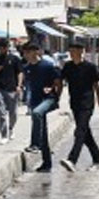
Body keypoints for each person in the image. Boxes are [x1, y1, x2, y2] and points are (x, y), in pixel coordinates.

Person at [59, 38, 99, 172]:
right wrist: (55, 94)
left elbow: (96, 85)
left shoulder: (90, 67)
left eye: (74, 51)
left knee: (79, 132)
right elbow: (60, 81)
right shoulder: (68, 66)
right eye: (70, 51)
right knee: (85, 132)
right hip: (74, 103)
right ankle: (98, 159)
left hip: (87, 103)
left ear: (81, 52)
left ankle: (72, 160)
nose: (72, 53)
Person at [23, 42, 62, 172]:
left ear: (35, 52)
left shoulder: (47, 66)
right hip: (36, 101)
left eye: (28, 52)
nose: (26, 55)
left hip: (49, 99)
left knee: (37, 113)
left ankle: (35, 144)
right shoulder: (27, 68)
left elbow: (58, 83)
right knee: (43, 133)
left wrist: (55, 95)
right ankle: (47, 163)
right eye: (25, 52)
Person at [0, 39, 23, 144]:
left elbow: (20, 73)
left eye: (4, 47)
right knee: (1, 113)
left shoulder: (15, 59)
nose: (2, 49)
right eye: (0, 47)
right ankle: (3, 134)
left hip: (12, 88)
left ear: (7, 47)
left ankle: (11, 128)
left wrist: (19, 85)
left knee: (13, 113)